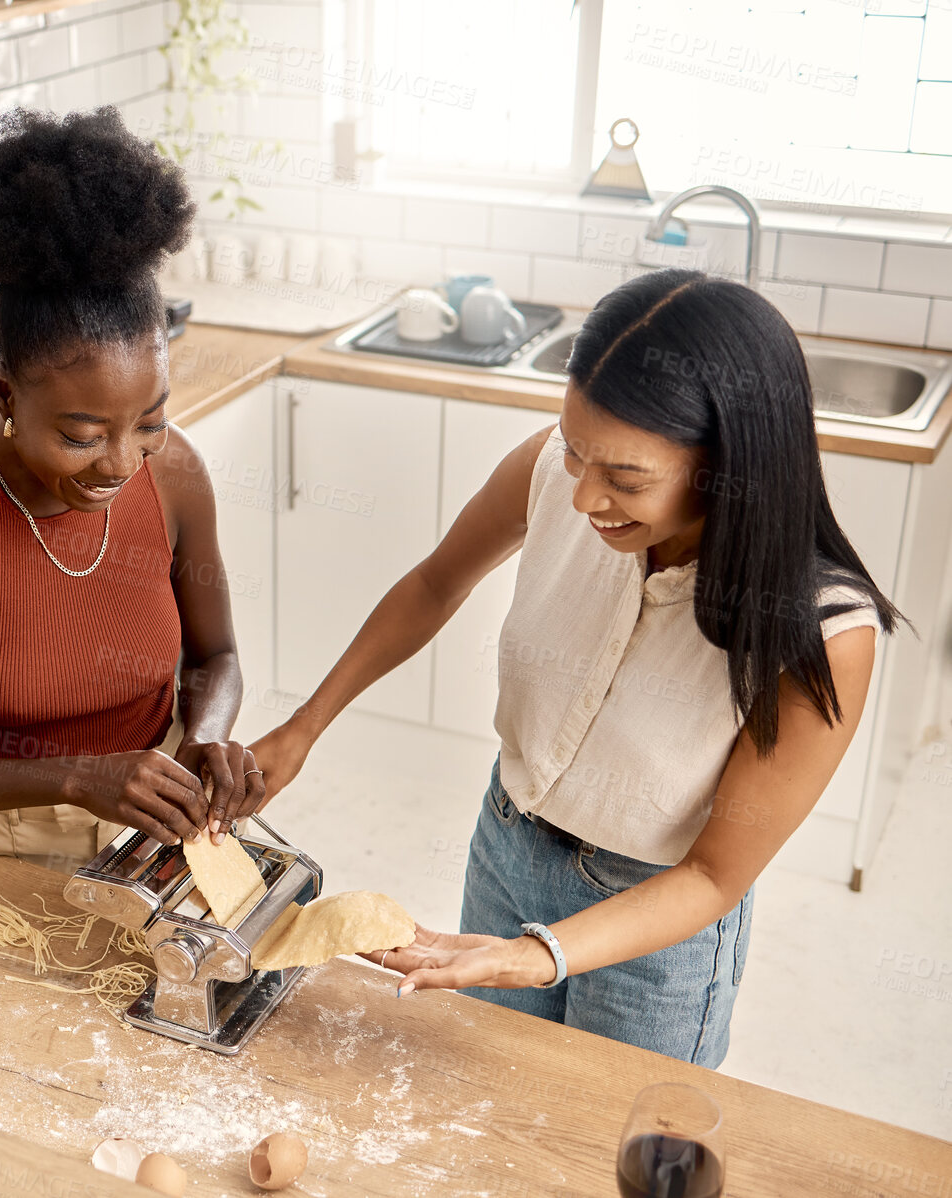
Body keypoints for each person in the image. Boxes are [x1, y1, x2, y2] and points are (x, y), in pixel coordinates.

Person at [252, 269, 901, 1066]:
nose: (583, 497)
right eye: (574, 451)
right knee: (479, 1101)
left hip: (654, 924)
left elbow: (710, 876)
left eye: (625, 479)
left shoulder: (823, 634)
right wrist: (303, 727)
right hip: (506, 842)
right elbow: (433, 582)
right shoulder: (552, 471)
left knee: (606, 1149)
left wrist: (534, 954)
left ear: (732, 465)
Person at [0, 107, 268, 873]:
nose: (120, 463)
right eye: (80, 437)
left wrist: (205, 738)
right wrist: (75, 779)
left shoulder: (174, 473)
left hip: (164, 823)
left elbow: (217, 656)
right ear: (4, 395)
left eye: (149, 420)